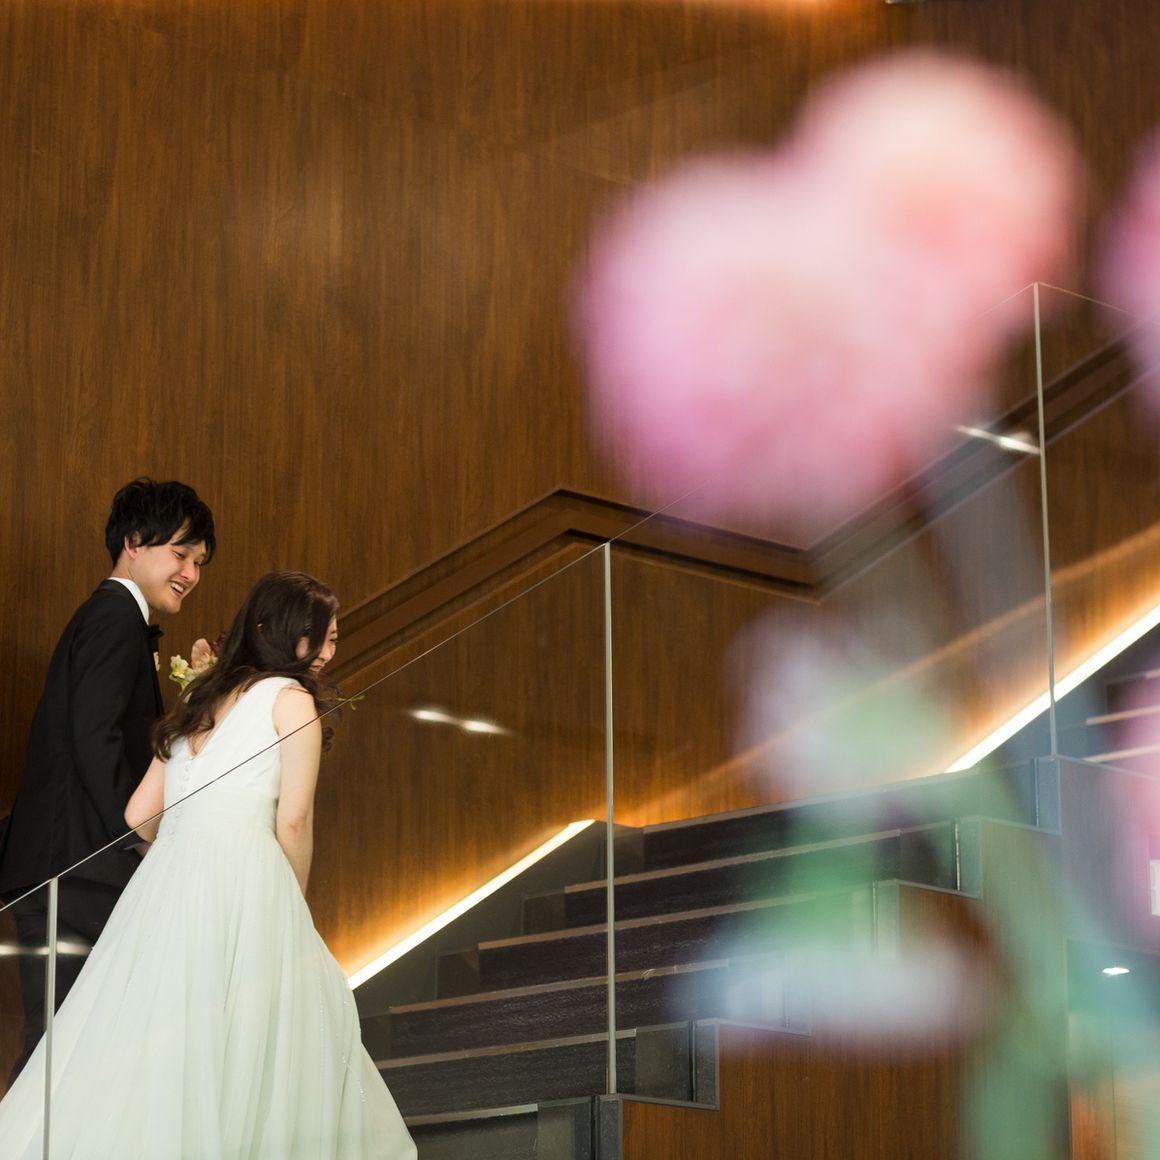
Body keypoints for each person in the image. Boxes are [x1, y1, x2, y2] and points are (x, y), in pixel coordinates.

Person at [0, 571, 417, 1159]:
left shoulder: (198, 700)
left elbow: (139, 816)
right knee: (251, 1027)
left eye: (333, 638)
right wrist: (292, 901)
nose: (327, 651)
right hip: (248, 875)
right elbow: (294, 821)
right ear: (279, 632)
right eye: (319, 636)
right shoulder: (292, 701)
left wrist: (185, 843)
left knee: (151, 1025)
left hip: (166, 882)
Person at [0, 477, 216, 1083]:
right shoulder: (114, 617)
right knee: (57, 1058)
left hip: (71, 869)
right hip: (70, 874)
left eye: (199, 562)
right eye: (180, 554)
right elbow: (97, 741)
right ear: (133, 542)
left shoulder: (115, 617)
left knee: (72, 1053)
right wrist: (141, 836)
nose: (191, 574)